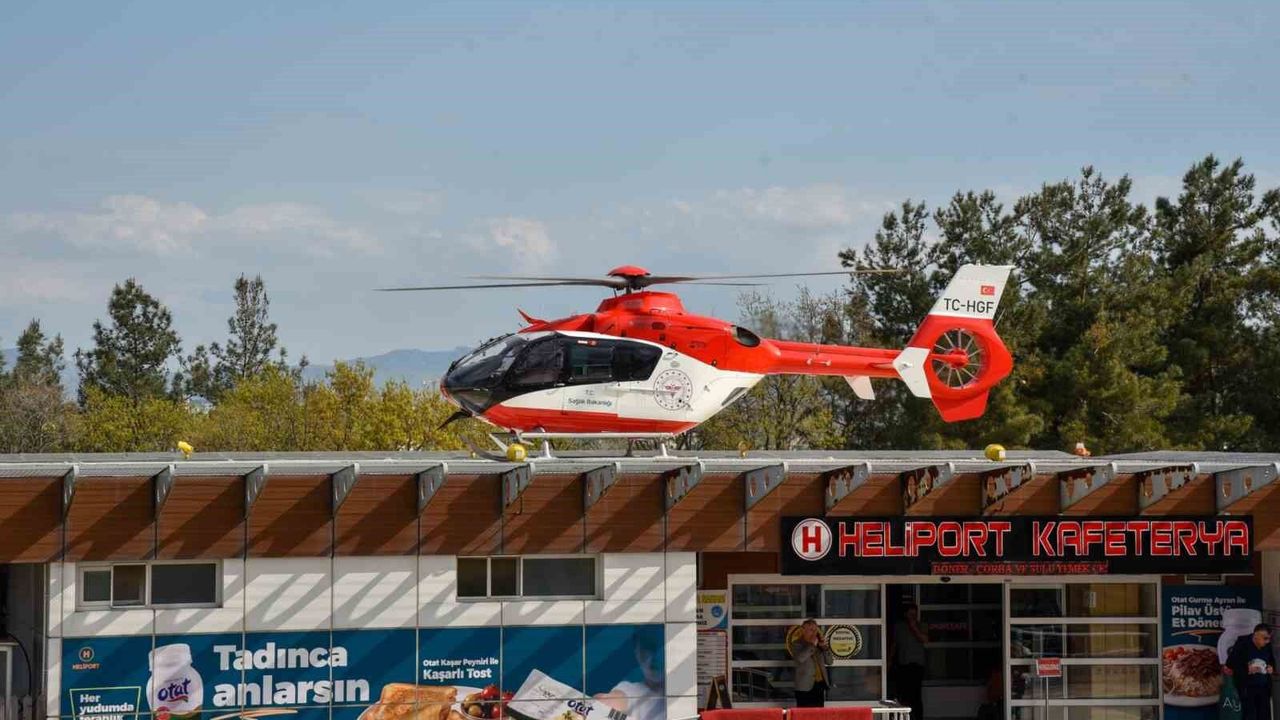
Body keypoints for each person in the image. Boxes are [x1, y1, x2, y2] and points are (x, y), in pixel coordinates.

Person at [1226, 623, 1276, 720]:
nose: (1267, 641)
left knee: (1264, 715)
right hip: (1247, 687)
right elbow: (1230, 663)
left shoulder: (1267, 645)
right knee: (1250, 716)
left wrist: (1271, 667)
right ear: (1256, 635)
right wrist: (1247, 669)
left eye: (1269, 638)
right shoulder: (1242, 643)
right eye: (1265, 638)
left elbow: (1271, 660)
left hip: (1264, 687)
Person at [889, 603, 928, 720]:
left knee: (916, 695)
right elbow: (894, 644)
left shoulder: (922, 625)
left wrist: (914, 627)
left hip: (917, 665)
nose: (913, 617)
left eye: (915, 614)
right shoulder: (899, 627)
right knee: (903, 694)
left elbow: (925, 639)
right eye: (910, 614)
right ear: (906, 614)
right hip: (904, 664)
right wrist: (889, 660)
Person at [789, 619, 834, 707]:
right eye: (811, 630)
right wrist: (812, 645)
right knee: (804, 712)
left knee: (818, 712)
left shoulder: (819, 644)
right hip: (804, 686)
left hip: (819, 684)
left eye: (815, 630)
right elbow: (800, 658)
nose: (814, 632)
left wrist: (825, 648)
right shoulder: (797, 644)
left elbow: (829, 662)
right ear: (803, 630)